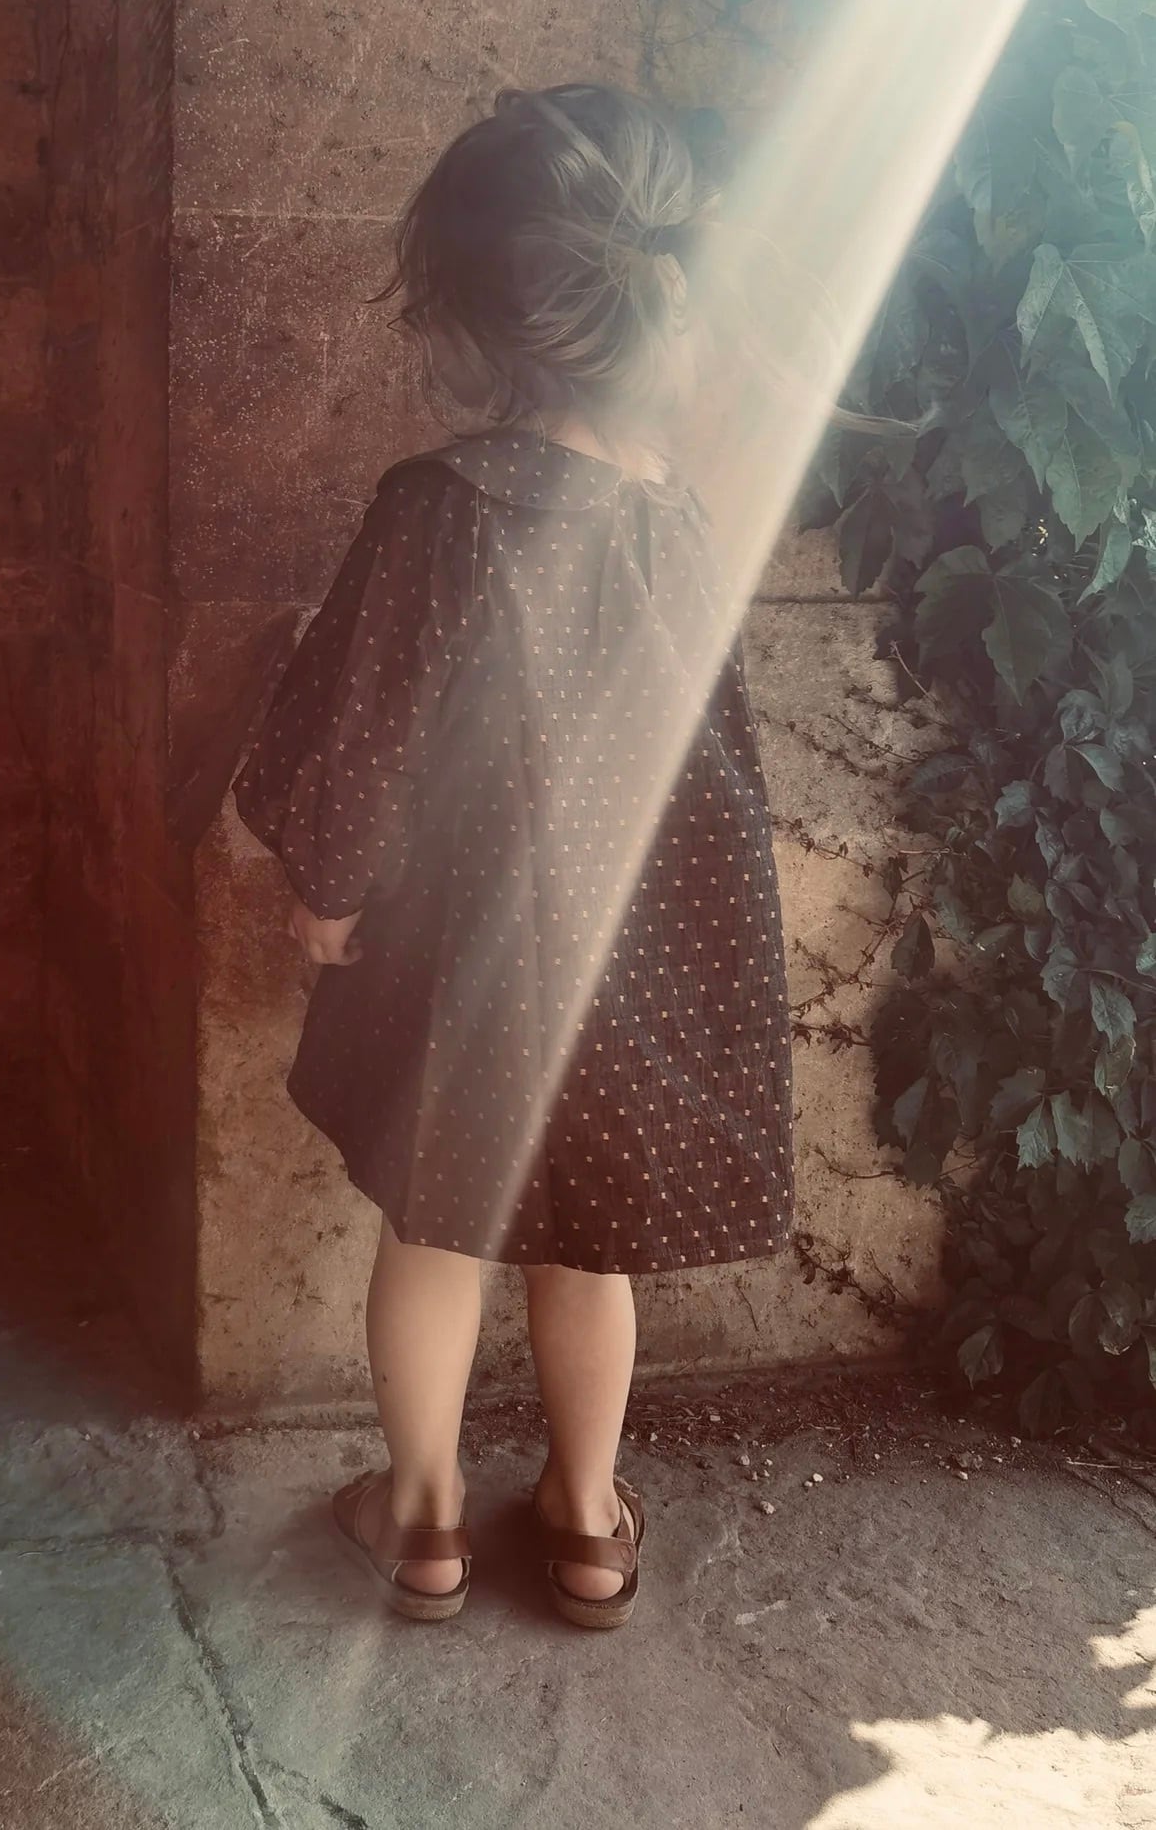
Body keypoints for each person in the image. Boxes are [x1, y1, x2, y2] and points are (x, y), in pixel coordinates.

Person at [233, 83, 794, 1630]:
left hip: (457, 955)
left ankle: (421, 1523)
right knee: (588, 1250)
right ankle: (588, 1518)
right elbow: (716, 760)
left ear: (483, 316)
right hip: (632, 960)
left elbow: (366, 723)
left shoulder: (441, 505)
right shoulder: (677, 519)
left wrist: (328, 885)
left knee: (433, 1231)